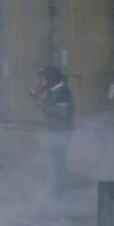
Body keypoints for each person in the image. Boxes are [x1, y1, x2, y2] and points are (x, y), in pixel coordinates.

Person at [31, 66, 74, 195]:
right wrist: (40, 97)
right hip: (53, 131)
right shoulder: (51, 92)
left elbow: (62, 112)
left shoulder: (63, 92)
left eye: (43, 78)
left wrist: (43, 106)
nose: (41, 81)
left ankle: (60, 190)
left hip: (61, 133)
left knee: (59, 162)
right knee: (55, 162)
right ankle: (57, 188)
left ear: (51, 79)